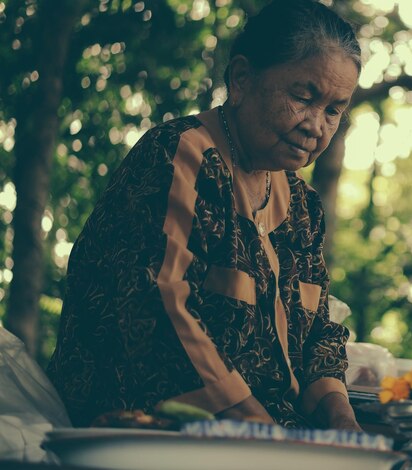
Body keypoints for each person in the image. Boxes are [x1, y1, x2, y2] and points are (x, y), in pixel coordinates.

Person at [47, 0, 362, 430]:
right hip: (149, 431)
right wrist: (262, 433)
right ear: (241, 79)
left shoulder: (303, 206)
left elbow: (319, 335)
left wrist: (343, 422)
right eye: (303, 97)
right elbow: (157, 307)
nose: (316, 125)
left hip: (265, 439)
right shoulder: (179, 156)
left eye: (333, 110)